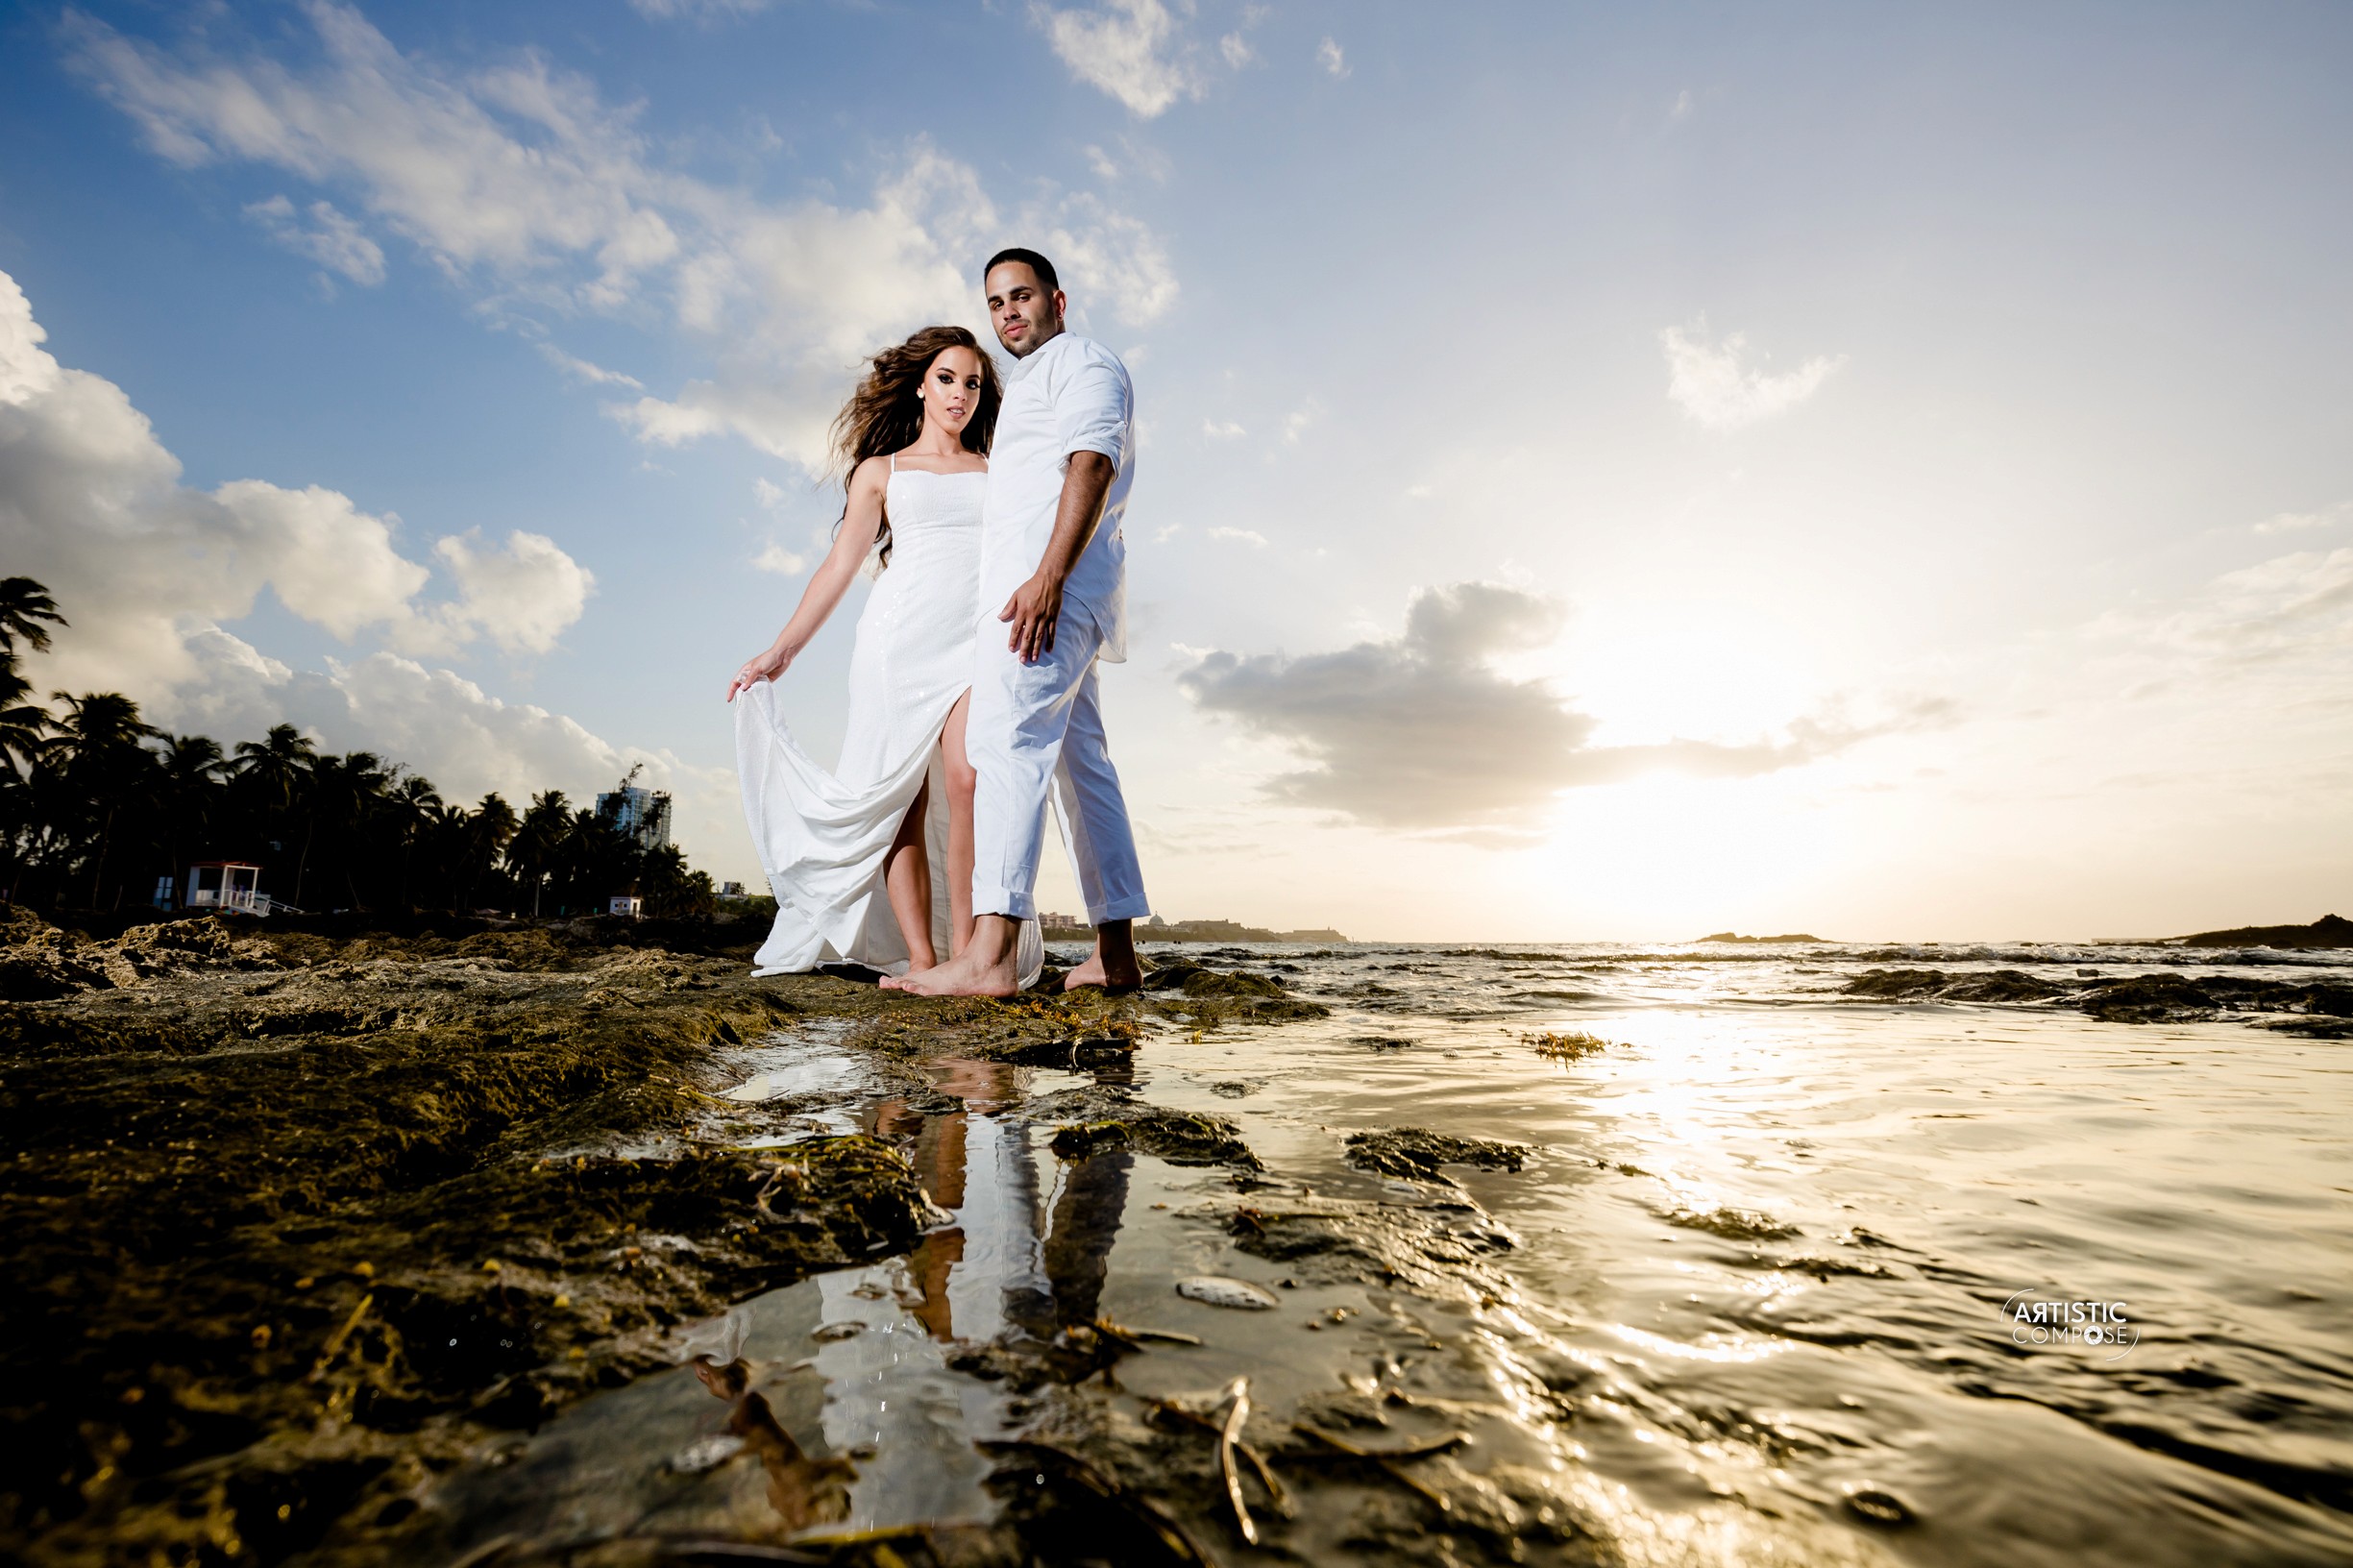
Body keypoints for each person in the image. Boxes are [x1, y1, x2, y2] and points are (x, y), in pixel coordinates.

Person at [728, 325, 1039, 983]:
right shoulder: (882, 470)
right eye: (948, 379)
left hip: (976, 642)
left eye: (974, 383)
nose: (960, 394)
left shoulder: (998, 468)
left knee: (969, 779)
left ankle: (967, 957)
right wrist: (782, 650)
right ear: (922, 386)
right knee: (900, 799)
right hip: (898, 643)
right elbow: (842, 562)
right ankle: (922, 959)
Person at [884, 248, 1149, 997]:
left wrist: (1046, 577)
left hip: (1044, 599)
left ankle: (991, 955)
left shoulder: (1082, 364)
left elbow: (1092, 463)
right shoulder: (1036, 382)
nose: (1007, 313)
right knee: (1081, 767)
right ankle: (1115, 954)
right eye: (996, 302)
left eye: (1021, 296)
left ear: (1057, 300)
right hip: (1053, 597)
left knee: (1005, 744)